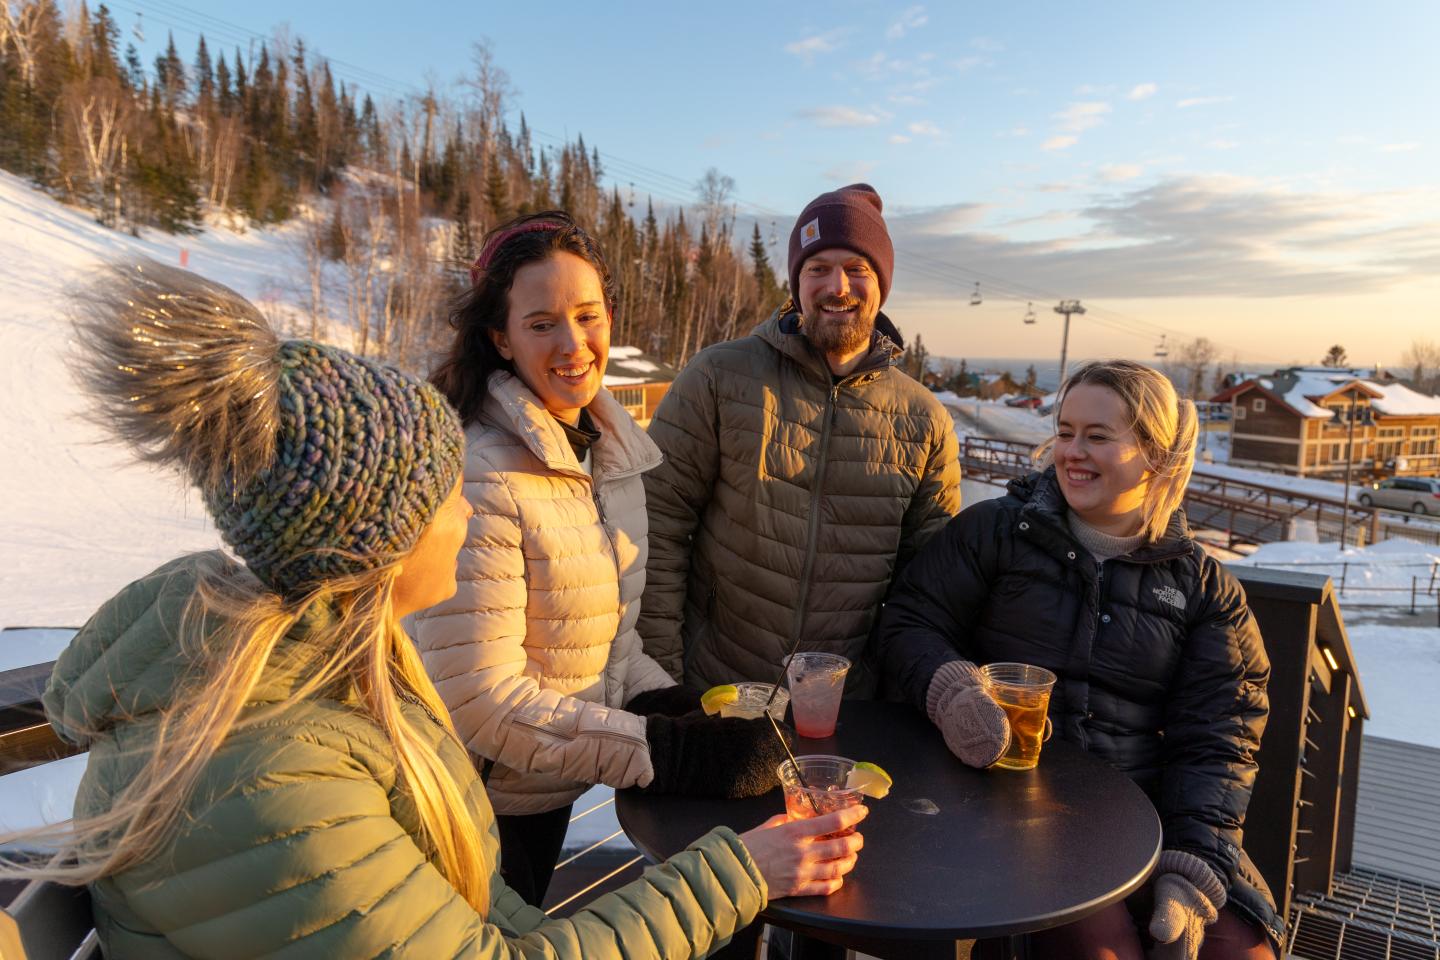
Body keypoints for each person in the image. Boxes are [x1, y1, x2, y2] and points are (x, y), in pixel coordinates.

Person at [0, 261, 867, 959]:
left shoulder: (345, 680)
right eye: (445, 494)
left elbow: (503, 930)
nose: (466, 509)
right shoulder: (280, 785)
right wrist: (735, 869)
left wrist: (658, 705)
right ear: (372, 548)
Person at [418, 211, 792, 908]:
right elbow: (482, 703)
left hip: (538, 785)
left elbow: (604, 649)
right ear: (499, 338)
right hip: (466, 801)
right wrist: (666, 750)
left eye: (588, 316)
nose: (573, 344)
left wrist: (669, 704)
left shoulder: (604, 452)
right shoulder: (484, 473)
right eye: (541, 324)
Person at [878, 359, 1280, 960]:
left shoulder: (1204, 588)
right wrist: (950, 690)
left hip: (1146, 814)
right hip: (1015, 801)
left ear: (1156, 454)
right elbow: (909, 621)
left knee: (1238, 950)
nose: (1072, 452)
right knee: (1099, 946)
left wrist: (1191, 869)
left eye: (1098, 436)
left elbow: (1219, 740)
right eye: (1065, 432)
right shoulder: (997, 532)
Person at [638, 183, 961, 696]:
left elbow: (927, 589)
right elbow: (655, 530)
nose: (838, 286)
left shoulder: (924, 420)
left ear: (882, 283)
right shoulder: (720, 377)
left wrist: (890, 696)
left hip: (844, 713)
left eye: (858, 269)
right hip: (713, 693)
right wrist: (661, 682)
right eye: (818, 268)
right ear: (796, 282)